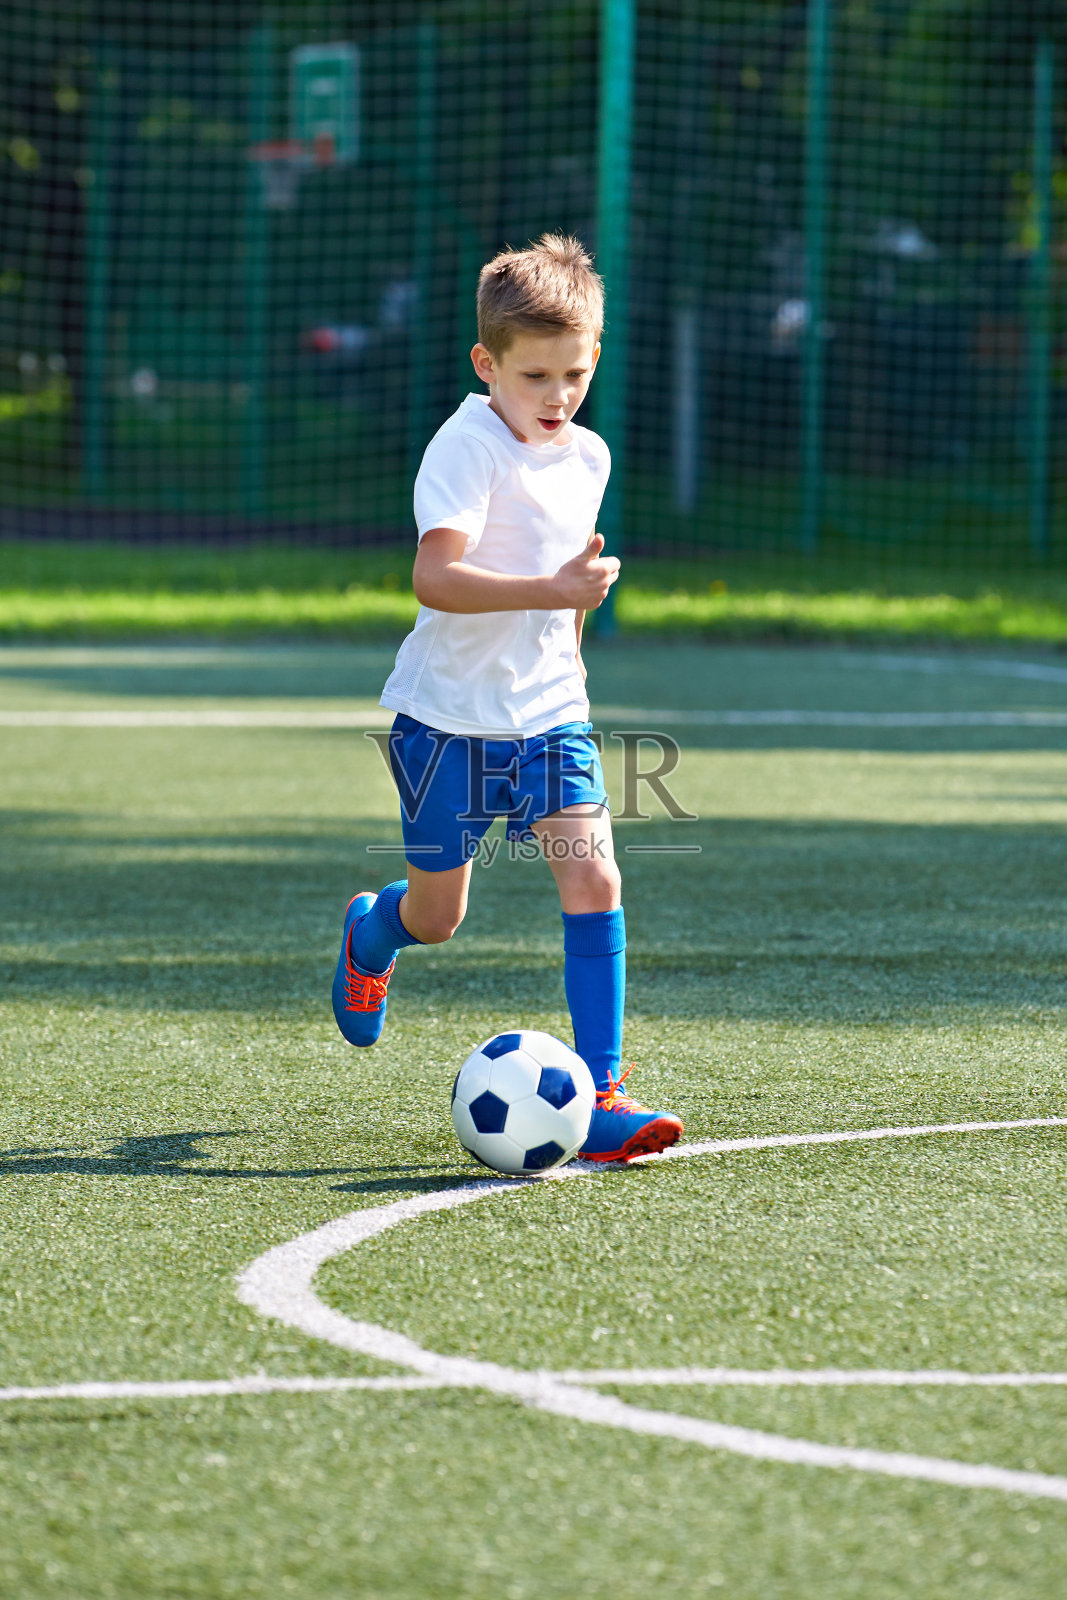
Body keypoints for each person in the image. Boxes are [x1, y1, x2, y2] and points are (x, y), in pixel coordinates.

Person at [332, 233, 683, 1162]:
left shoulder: (589, 456)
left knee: (593, 874)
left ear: (595, 355)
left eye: (574, 372)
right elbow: (435, 578)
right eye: (535, 377)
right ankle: (372, 936)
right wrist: (555, 596)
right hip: (445, 723)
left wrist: (564, 668)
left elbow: (561, 585)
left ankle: (603, 1096)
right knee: (438, 919)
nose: (558, 397)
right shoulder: (465, 447)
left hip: (548, 722)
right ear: (487, 365)